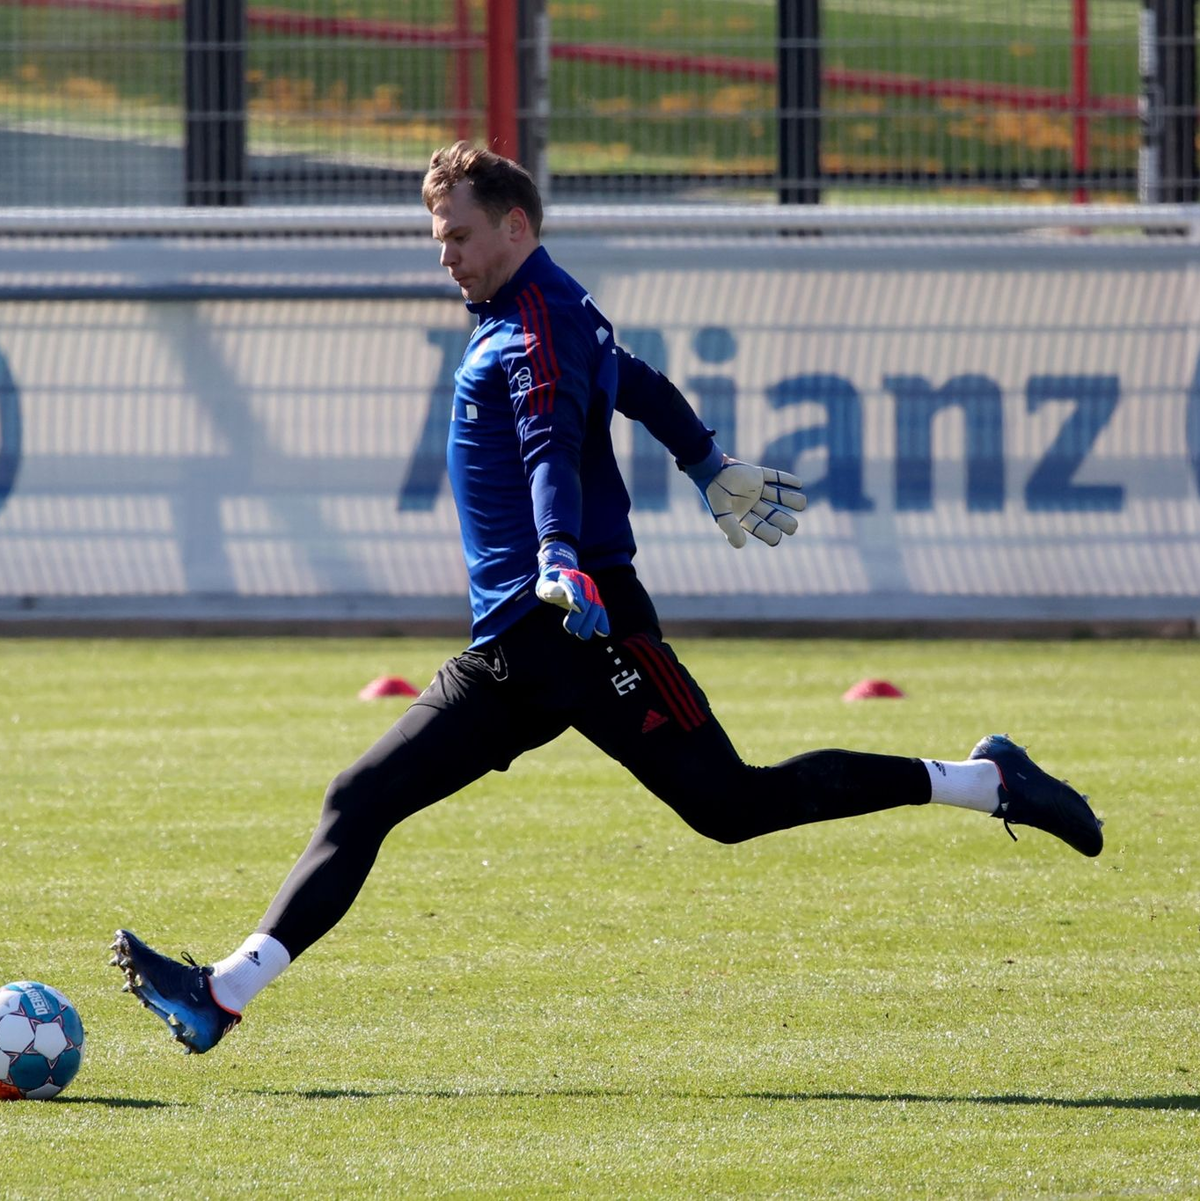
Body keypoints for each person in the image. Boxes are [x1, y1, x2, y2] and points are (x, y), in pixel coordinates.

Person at [111, 142, 1103, 1055]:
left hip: (585, 625)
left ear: (516, 225)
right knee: (360, 797)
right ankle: (222, 993)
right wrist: (705, 459)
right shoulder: (548, 310)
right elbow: (634, 382)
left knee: (733, 804)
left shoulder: (537, 324)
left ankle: (985, 781)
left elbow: (550, 442)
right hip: (520, 646)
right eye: (438, 239)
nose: (446, 255)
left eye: (459, 234)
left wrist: (557, 547)